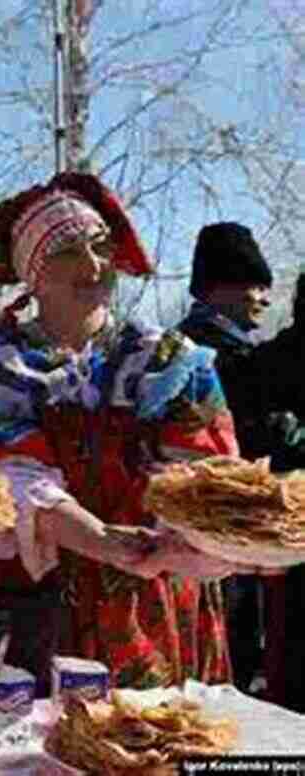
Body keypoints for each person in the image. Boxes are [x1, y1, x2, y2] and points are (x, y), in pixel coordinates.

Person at [0, 172, 258, 692]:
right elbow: (17, 486)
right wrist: (104, 542)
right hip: (50, 596)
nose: (93, 266)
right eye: (68, 251)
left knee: (162, 744)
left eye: (100, 247)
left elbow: (206, 480)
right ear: (35, 273)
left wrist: (180, 546)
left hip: (161, 591)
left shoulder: (167, 360)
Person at [176, 222, 305, 694]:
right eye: (254, 285)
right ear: (219, 287)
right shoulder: (199, 351)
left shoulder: (236, 347)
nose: (264, 298)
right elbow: (252, 427)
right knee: (221, 655)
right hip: (212, 526)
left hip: (241, 534)